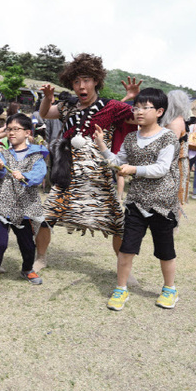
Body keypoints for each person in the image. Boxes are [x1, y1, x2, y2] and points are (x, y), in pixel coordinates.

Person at [37, 54, 140, 272]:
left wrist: (132, 99)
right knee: (47, 217)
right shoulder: (68, 107)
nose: (81, 86)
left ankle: (125, 271)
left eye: (85, 80)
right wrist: (48, 97)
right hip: (68, 174)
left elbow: (136, 116)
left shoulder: (111, 107)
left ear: (95, 80)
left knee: (119, 226)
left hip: (99, 176)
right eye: (76, 82)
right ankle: (41, 258)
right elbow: (45, 113)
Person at [96, 88, 181, 311]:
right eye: (137, 107)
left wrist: (133, 169)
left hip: (162, 204)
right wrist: (102, 146)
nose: (139, 112)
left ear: (160, 111)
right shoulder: (131, 137)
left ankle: (170, 289)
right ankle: (121, 289)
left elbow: (162, 169)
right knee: (126, 249)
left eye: (145, 107)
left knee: (165, 250)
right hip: (136, 203)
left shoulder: (168, 137)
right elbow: (117, 161)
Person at [0, 113, 48, 300]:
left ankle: (27, 269)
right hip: (3, 204)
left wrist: (25, 176)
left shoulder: (37, 153)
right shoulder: (3, 152)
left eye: (16, 129)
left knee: (27, 244)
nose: (11, 133)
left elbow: (40, 174)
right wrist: (0, 168)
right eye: (8, 129)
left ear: (27, 132)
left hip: (25, 206)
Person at [161, 90, 191, 206]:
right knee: (175, 200)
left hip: (173, 163)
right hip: (175, 163)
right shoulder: (177, 121)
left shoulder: (171, 121)